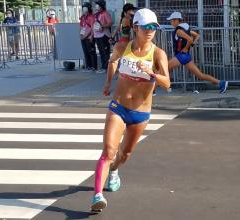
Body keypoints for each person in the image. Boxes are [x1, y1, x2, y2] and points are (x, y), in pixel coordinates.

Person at [90, 8, 170, 212]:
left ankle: (114, 171)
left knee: (124, 154)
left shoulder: (158, 54)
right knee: (108, 151)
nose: (151, 30)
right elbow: (112, 62)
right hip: (118, 106)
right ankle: (97, 195)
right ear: (136, 28)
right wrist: (108, 82)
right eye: (147, 27)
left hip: (140, 113)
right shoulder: (121, 46)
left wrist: (151, 73)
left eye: (154, 27)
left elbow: (167, 83)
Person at [167, 12, 228, 93]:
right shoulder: (186, 28)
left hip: (181, 56)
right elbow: (197, 36)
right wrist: (192, 45)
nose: (170, 22)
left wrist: (186, 48)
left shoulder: (179, 31)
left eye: (171, 21)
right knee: (200, 75)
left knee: (164, 68)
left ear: (176, 20)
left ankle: (153, 89)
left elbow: (190, 39)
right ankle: (221, 83)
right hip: (186, 56)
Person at [93, 0, 112, 73]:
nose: (96, 7)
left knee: (105, 52)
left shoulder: (105, 13)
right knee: (101, 52)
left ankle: (105, 67)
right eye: (96, 5)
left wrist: (102, 26)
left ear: (101, 6)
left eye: (98, 5)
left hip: (104, 35)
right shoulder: (96, 14)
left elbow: (110, 23)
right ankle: (103, 67)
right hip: (97, 35)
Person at [79, 2, 97, 72]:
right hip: (83, 37)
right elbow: (81, 26)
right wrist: (80, 35)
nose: (84, 9)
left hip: (89, 37)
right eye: (83, 7)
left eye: (85, 7)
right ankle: (88, 66)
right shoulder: (83, 17)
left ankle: (94, 67)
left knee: (91, 52)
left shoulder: (92, 16)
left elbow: (92, 27)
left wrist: (91, 36)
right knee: (86, 52)